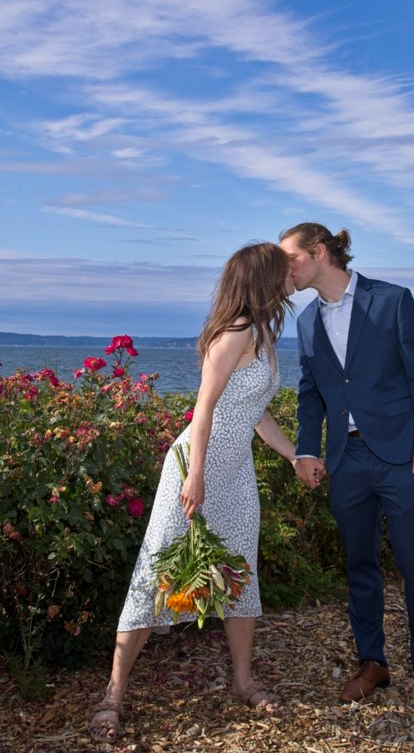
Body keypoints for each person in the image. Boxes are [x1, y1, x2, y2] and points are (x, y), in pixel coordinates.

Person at [90, 243, 298, 743]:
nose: (292, 274)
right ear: (263, 279)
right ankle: (113, 695)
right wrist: (196, 476)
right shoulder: (235, 332)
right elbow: (203, 410)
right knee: (155, 572)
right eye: (283, 269)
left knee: (238, 570)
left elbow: (256, 413)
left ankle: (244, 681)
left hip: (236, 472)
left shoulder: (264, 334)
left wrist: (294, 457)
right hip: (195, 468)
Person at [279, 223, 414, 720]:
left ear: (319, 252)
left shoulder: (392, 300)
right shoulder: (306, 321)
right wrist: (306, 450)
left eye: (289, 258)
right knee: (360, 567)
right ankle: (372, 663)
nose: (283, 268)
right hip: (345, 460)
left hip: (401, 456)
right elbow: (311, 392)